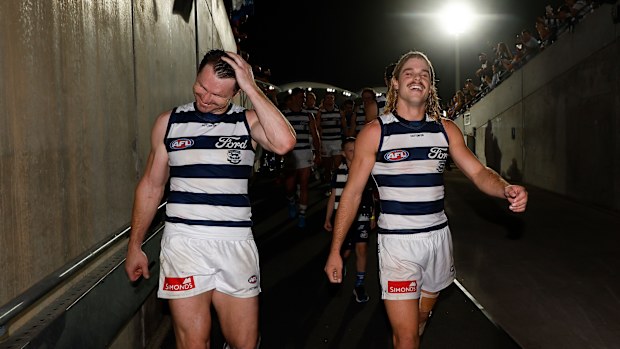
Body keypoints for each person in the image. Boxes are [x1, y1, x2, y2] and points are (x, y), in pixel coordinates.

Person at [324, 50, 528, 349]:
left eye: (424, 74)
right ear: (395, 83)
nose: (417, 77)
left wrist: (505, 187)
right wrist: (335, 249)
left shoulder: (446, 129)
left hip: (438, 240)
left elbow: (478, 172)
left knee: (421, 319)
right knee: (406, 339)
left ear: (431, 85)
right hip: (398, 245)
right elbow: (352, 194)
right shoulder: (374, 133)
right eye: (409, 72)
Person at [124, 49, 296, 349]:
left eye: (217, 95)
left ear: (236, 91)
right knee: (193, 343)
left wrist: (252, 87)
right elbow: (152, 185)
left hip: (235, 241)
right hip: (184, 243)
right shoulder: (170, 122)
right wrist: (134, 244)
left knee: (244, 342)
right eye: (201, 87)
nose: (205, 98)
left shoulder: (248, 121)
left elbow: (284, 143)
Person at [324, 137, 376, 303]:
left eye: (356, 149)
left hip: (362, 215)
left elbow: (370, 196)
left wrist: (373, 215)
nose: (354, 153)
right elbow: (333, 196)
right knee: (344, 251)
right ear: (343, 152)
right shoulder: (338, 172)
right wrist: (328, 217)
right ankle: (339, 266)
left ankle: (359, 284)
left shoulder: (366, 171)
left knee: (361, 248)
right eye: (350, 150)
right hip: (344, 218)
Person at [281, 88, 321, 228]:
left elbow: (315, 135)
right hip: (291, 155)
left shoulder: (308, 115)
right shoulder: (284, 115)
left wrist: (318, 153)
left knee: (304, 184)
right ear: (292, 98)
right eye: (299, 97)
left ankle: (302, 214)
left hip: (305, 153)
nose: (302, 100)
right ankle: (291, 200)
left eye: (303, 97)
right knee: (290, 186)